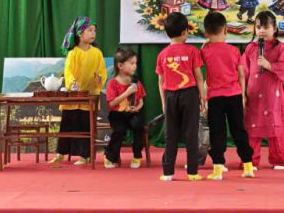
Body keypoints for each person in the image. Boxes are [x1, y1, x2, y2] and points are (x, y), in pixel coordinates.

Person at [201, 11, 256, 180]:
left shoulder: (205, 51)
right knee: (239, 130)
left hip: (215, 98)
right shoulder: (234, 50)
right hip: (234, 95)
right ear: (226, 29)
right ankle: (248, 166)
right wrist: (243, 95)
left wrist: (204, 45)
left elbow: (199, 66)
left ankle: (218, 169)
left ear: (206, 33)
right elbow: (241, 75)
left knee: (217, 132)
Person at [155, 12, 207, 181]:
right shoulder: (192, 51)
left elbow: (161, 81)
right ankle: (192, 172)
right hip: (190, 94)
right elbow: (199, 77)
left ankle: (168, 172)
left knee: (171, 134)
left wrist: (163, 102)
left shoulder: (162, 54)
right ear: (185, 31)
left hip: (170, 96)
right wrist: (203, 98)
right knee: (191, 134)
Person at [50, 17, 106, 166]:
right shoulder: (73, 53)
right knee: (67, 124)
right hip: (73, 96)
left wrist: (99, 79)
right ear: (80, 34)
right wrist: (73, 83)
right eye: (90, 30)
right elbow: (68, 72)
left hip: (90, 96)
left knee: (85, 126)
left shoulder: (97, 53)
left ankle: (85, 156)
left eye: (94, 31)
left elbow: (102, 72)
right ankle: (61, 153)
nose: (93, 33)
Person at [242, 11, 284, 170]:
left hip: (273, 96)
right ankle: (250, 161)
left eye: (265, 27)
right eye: (258, 27)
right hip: (253, 94)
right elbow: (243, 72)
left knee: (275, 126)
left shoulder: (281, 48)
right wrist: (242, 93)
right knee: (252, 127)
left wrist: (269, 65)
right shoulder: (250, 48)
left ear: (275, 28)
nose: (261, 31)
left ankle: (279, 160)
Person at [103, 46, 146, 169]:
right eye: (131, 63)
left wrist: (137, 108)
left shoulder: (136, 82)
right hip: (117, 114)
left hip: (132, 113)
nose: (134, 66)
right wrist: (127, 92)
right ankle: (110, 156)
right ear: (120, 66)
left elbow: (141, 101)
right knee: (119, 130)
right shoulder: (112, 83)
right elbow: (112, 104)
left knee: (138, 126)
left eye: (135, 63)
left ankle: (137, 155)